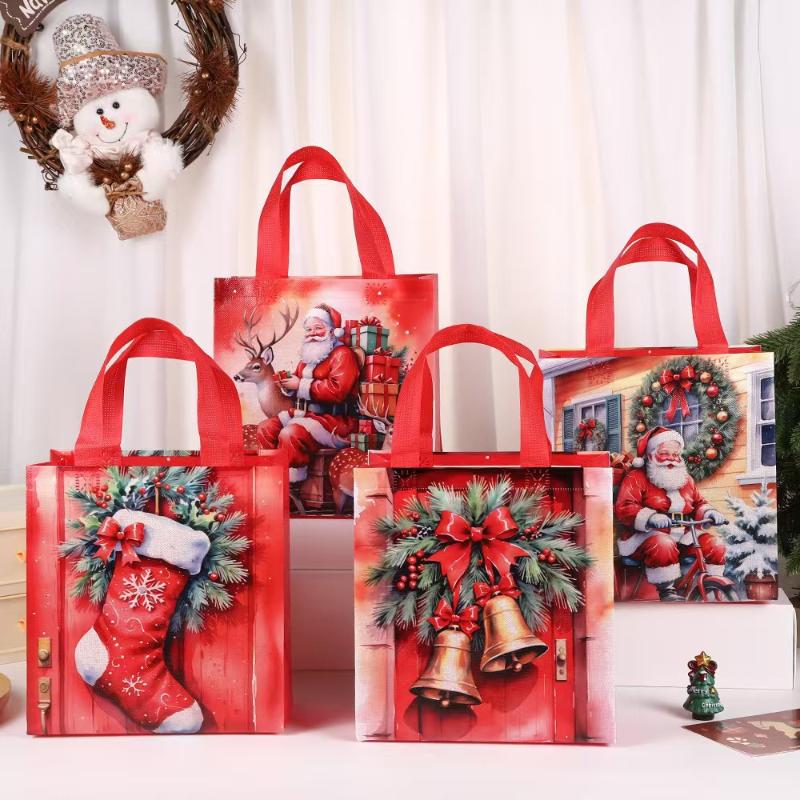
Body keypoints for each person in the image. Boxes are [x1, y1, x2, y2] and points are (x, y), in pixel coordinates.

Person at [615, 426, 726, 601]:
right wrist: (650, 517)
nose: (671, 459)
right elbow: (625, 507)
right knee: (663, 544)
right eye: (665, 454)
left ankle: (711, 586)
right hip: (645, 537)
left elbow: (698, 503)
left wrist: (709, 513)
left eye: (675, 454)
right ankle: (667, 590)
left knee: (715, 544)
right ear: (651, 455)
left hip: (683, 535)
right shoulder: (637, 477)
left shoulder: (686, 480)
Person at [257, 304, 360, 482]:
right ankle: (271, 476)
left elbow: (337, 391)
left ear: (332, 331)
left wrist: (301, 384)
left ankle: (294, 484)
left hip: (333, 420)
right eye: (309, 329)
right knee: (265, 429)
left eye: (318, 328)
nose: (312, 333)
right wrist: (288, 385)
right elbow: (297, 385)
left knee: (290, 434)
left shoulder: (343, 355)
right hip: (304, 414)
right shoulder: (307, 358)